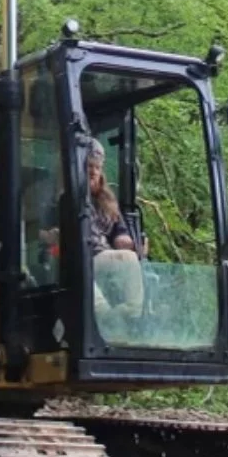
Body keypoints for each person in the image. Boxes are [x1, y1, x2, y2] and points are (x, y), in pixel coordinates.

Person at [85, 138, 143, 331]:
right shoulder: (60, 197)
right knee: (82, 274)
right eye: (89, 166)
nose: (93, 171)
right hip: (75, 258)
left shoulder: (107, 201)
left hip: (102, 257)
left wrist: (125, 240)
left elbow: (119, 231)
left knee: (128, 257)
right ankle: (104, 317)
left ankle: (131, 313)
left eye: (97, 167)